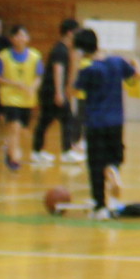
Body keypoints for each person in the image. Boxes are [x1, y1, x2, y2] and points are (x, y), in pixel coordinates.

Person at [72, 26, 140, 217]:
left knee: (95, 166)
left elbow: (73, 91)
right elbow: (137, 75)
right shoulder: (117, 62)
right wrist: (137, 63)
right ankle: (113, 190)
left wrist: (75, 65)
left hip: (96, 122)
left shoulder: (89, 70)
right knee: (114, 158)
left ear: (80, 50)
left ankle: (100, 206)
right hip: (116, 121)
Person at [32, 18, 81, 168]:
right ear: (70, 32)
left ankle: (37, 151)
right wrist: (59, 92)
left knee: (46, 121)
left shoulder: (64, 49)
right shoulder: (60, 50)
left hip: (51, 91)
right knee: (67, 119)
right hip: (51, 92)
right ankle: (66, 152)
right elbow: (57, 70)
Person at [0, 23, 41, 172]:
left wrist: (32, 87)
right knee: (14, 127)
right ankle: (14, 157)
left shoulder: (35, 56)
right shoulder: (4, 56)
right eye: (18, 35)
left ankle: (9, 149)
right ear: (12, 39)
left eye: (24, 35)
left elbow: (38, 76)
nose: (21, 38)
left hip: (27, 100)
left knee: (21, 129)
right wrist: (14, 83)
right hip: (10, 99)